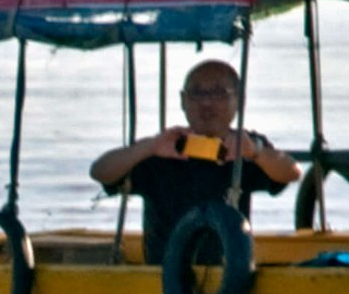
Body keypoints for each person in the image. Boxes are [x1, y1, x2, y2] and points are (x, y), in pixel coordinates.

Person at [91, 59, 299, 244]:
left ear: (239, 100)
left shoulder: (245, 146)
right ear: (183, 100)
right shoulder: (165, 148)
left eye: (218, 93)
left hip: (229, 274)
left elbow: (291, 172)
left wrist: (255, 152)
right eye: (197, 93)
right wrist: (149, 147)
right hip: (167, 275)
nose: (206, 103)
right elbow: (100, 171)